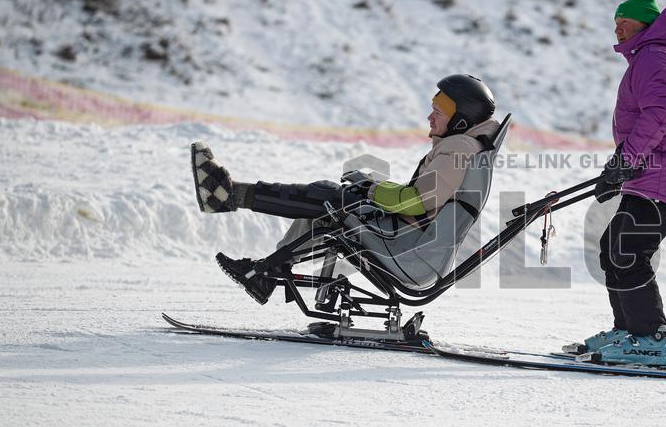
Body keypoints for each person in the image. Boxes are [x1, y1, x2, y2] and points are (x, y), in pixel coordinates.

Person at [191, 74, 500, 304]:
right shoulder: (462, 147)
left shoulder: (459, 148)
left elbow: (416, 202)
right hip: (407, 239)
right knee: (325, 200)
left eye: (439, 112)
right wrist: (372, 187)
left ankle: (231, 198)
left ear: (460, 120)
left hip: (407, 250)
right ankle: (264, 271)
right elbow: (419, 200)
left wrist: (369, 190)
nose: (429, 117)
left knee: (327, 199)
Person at [581, 0, 666, 367]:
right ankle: (628, 330)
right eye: (615, 22)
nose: (617, 29)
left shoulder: (656, 58)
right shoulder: (653, 56)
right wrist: (623, 166)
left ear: (646, 23)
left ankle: (650, 337)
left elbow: (660, 116)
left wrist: (625, 162)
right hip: (655, 170)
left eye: (625, 22)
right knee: (614, 248)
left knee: (629, 251)